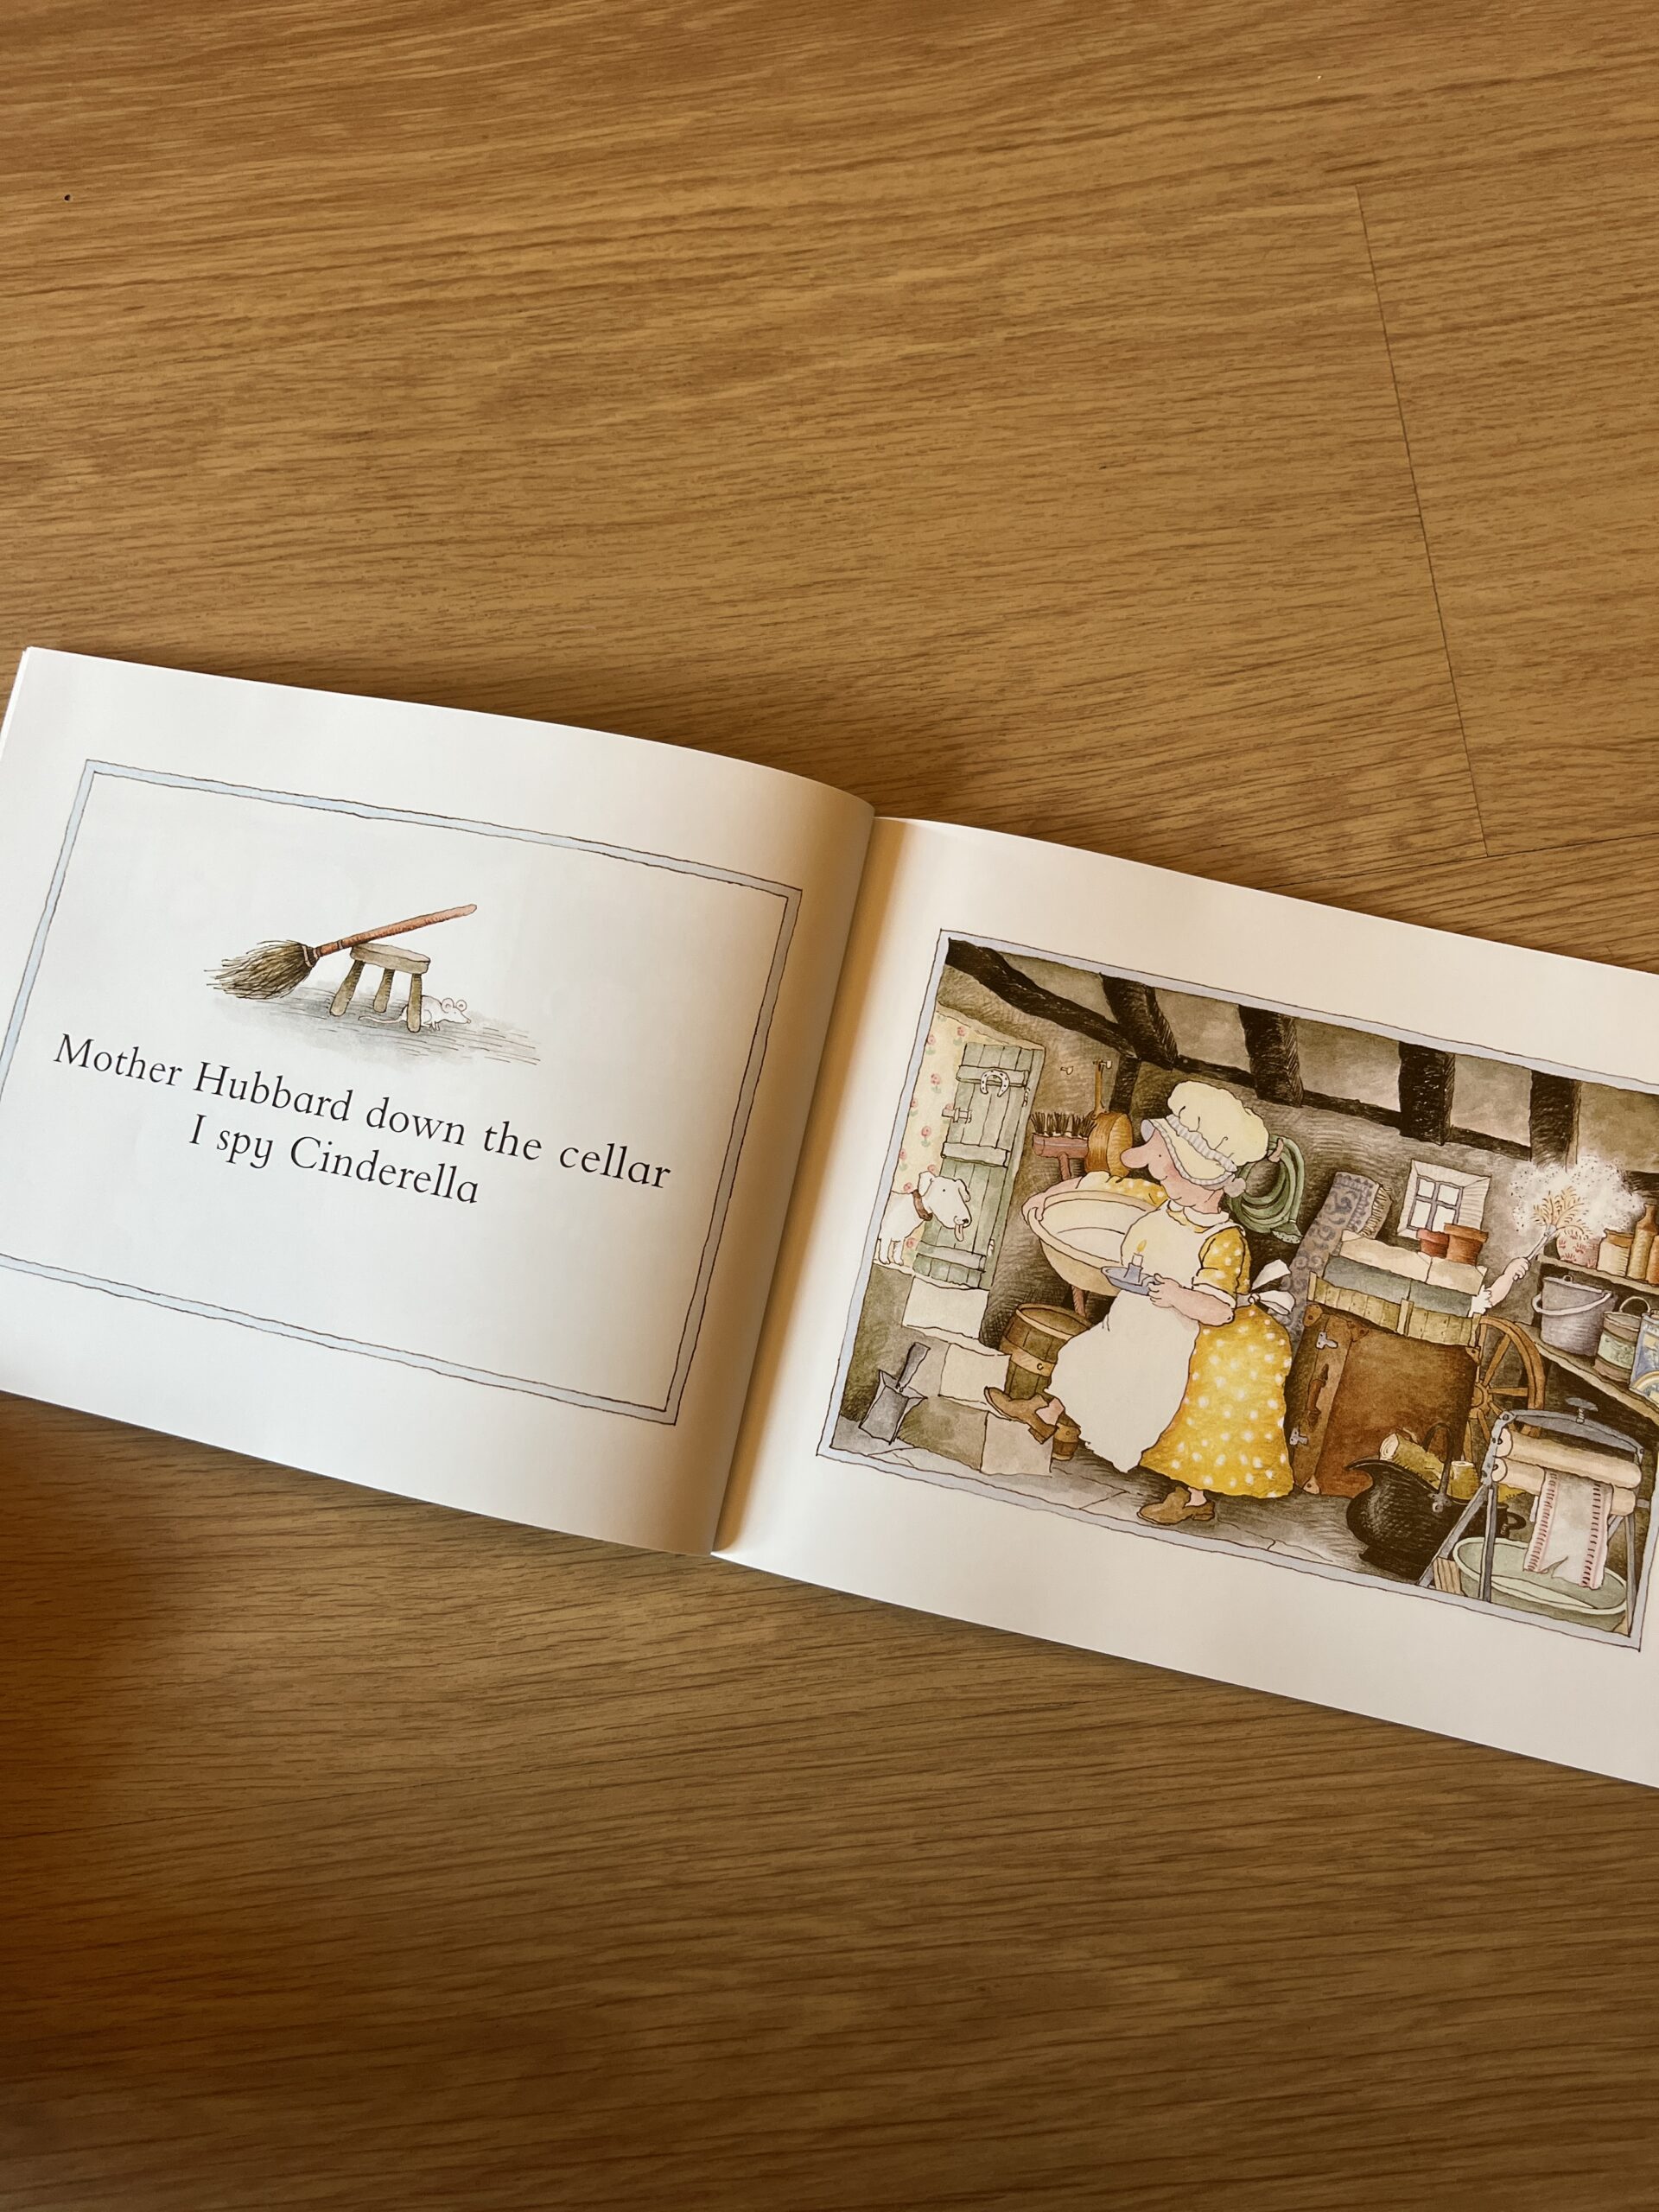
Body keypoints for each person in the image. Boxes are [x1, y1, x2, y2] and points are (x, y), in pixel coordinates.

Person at [986, 1080, 1294, 1524]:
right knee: (1081, 1359)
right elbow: (1107, 1189)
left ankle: (1193, 1496)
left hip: (1169, 1343)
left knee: (1169, 1413)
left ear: (1202, 1177)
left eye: (1169, 1169)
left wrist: (1175, 1295)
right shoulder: (1164, 1203)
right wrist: (1049, 1197)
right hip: (1129, 1326)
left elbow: (1219, 1308)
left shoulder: (1224, 1239)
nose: (1159, 1177)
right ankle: (1045, 1413)